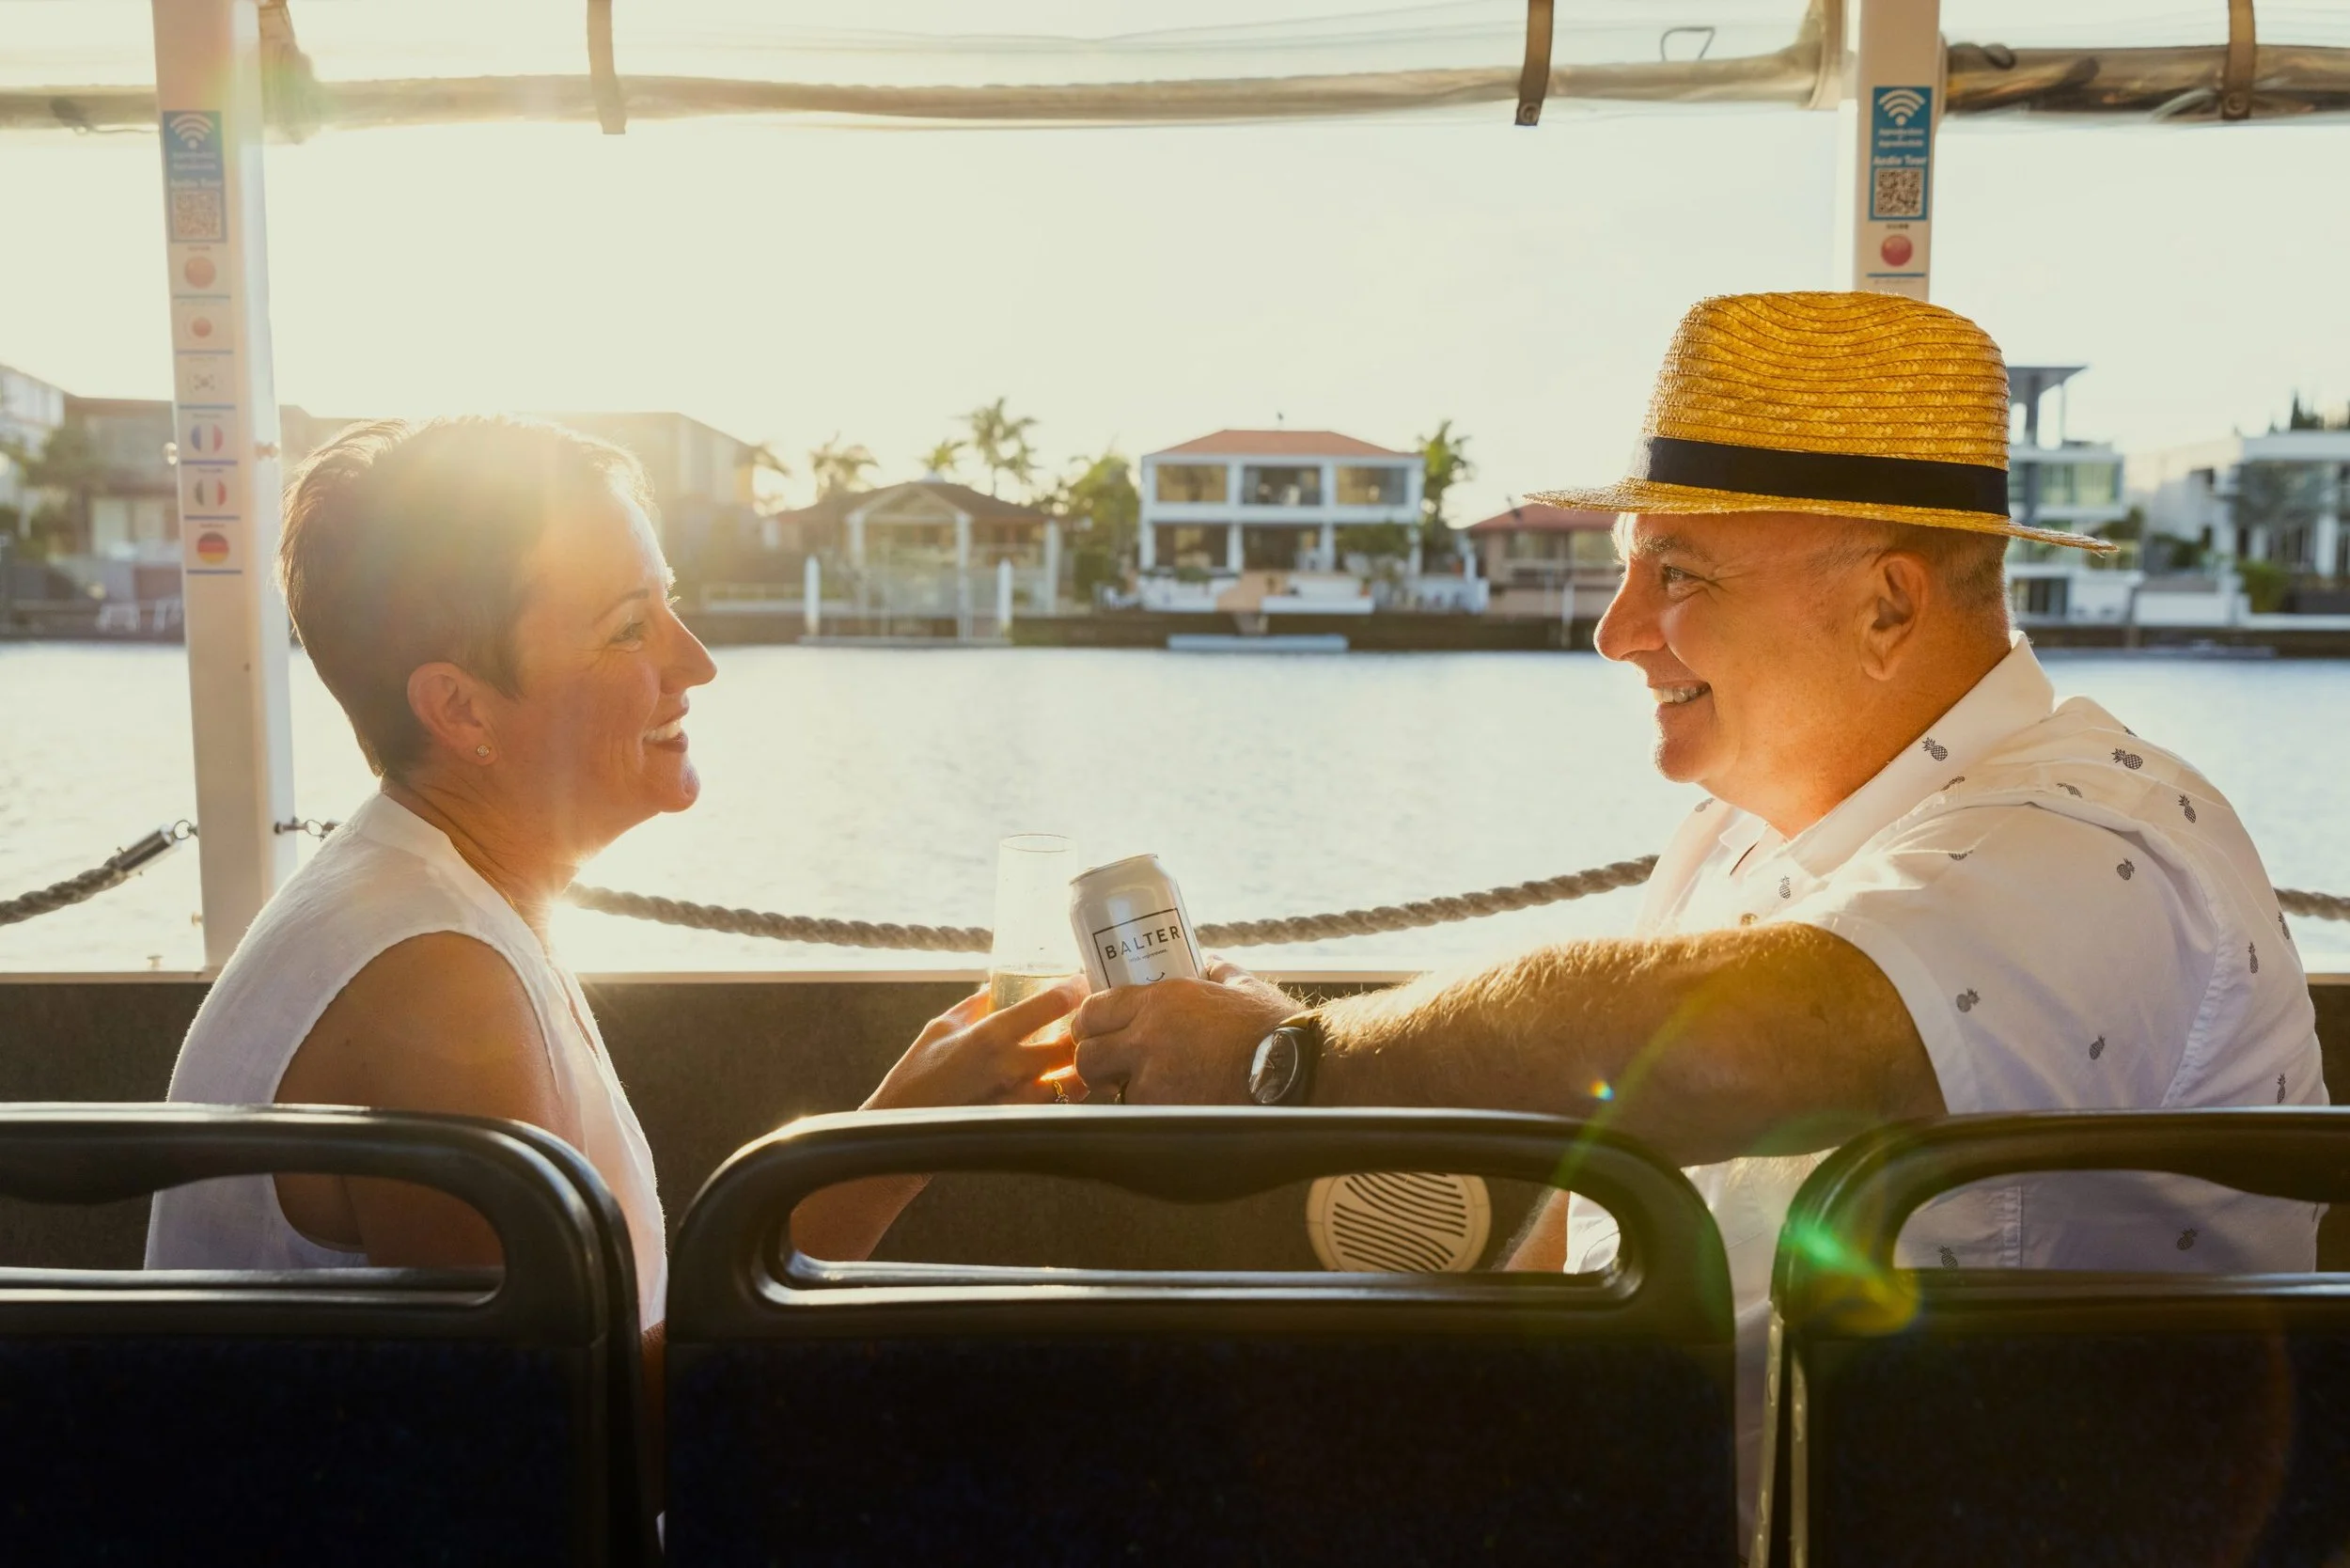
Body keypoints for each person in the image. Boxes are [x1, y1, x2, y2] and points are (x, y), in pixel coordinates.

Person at [1066, 290, 2325, 1537]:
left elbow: (1728, 1041)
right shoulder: (1732, 843)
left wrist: (1282, 1062)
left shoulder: (2091, 841)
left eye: (1678, 573)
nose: (1616, 634)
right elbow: (1588, 1208)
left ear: (1890, 604)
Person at [147, 417, 1077, 1356]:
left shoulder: (421, 902)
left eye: (668, 603)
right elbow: (570, 1445)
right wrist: (891, 1152)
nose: (696, 663)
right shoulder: (433, 984)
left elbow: (604, 1378)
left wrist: (900, 1127)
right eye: (628, 627)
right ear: (460, 707)